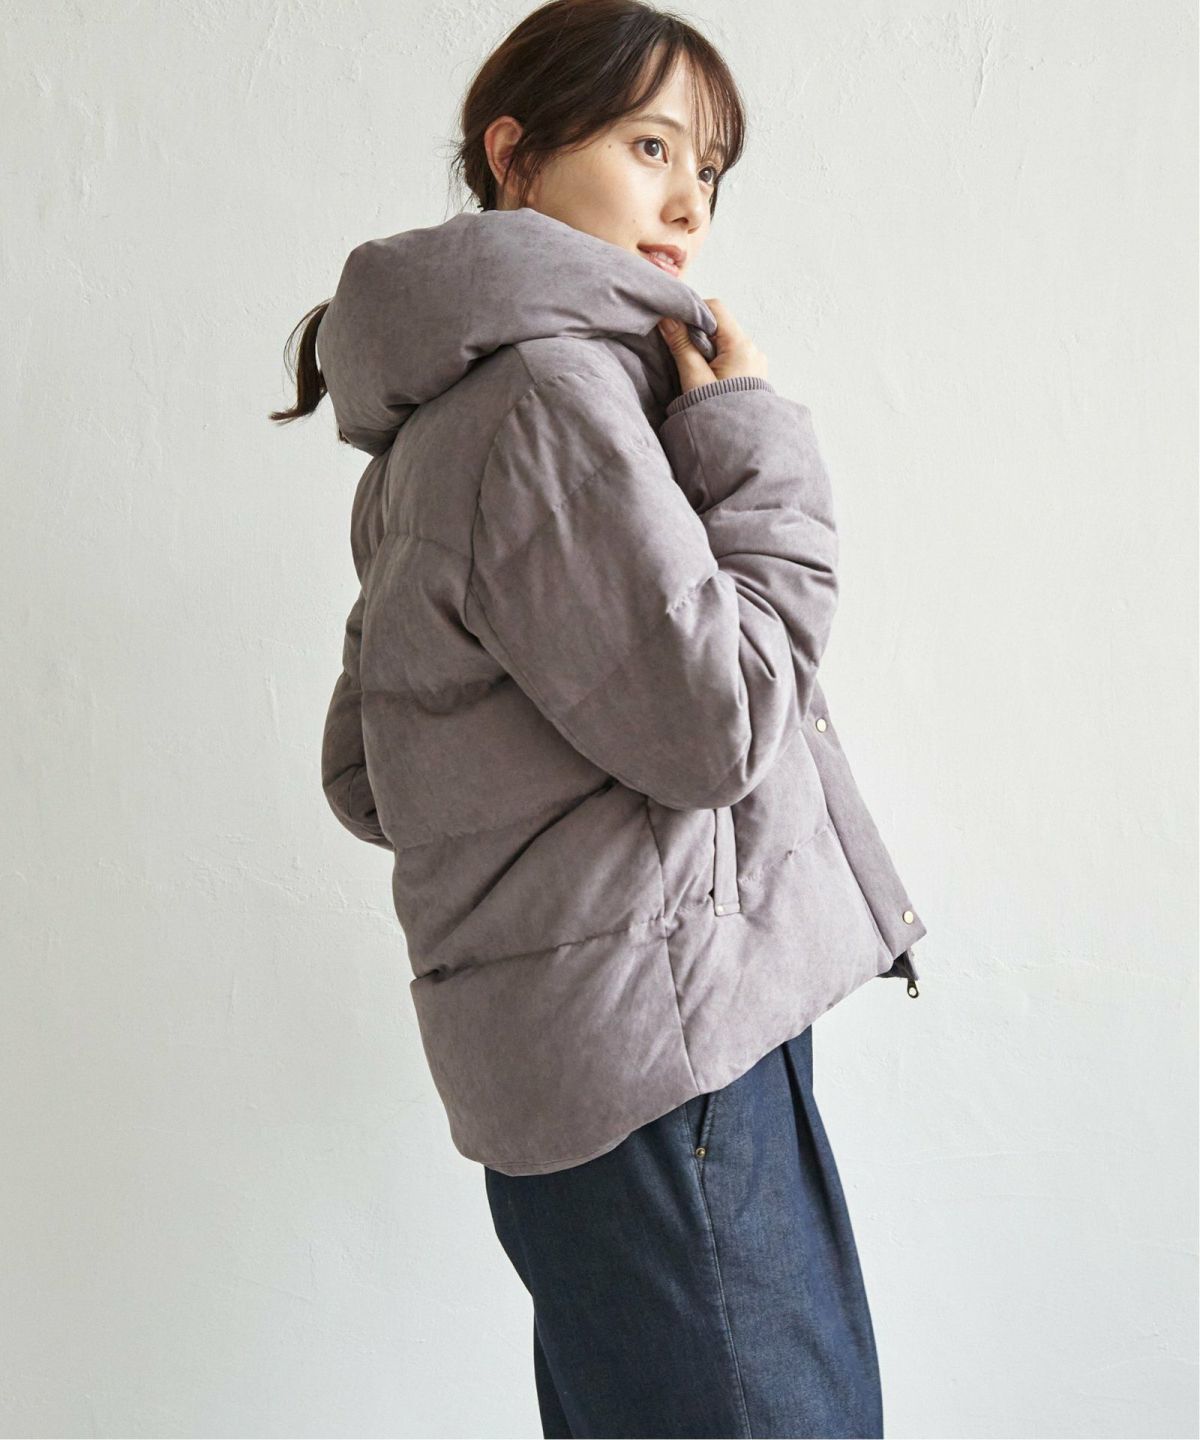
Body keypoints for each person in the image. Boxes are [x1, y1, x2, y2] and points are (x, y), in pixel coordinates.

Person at [271, 2, 927, 1433]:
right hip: (670, 1056)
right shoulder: (550, 401)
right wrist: (751, 436)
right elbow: (718, 725)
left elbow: (368, 770)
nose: (689, 202)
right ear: (514, 154)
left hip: (584, 1066)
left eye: (710, 168)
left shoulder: (434, 423)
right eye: (649, 147)